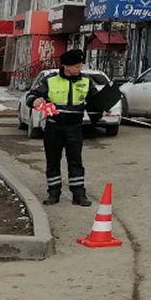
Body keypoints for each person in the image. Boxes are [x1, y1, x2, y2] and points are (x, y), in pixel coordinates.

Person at [25, 49, 99, 206]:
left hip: (75, 127)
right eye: (77, 66)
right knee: (53, 161)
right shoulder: (50, 80)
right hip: (54, 127)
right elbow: (31, 95)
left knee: (75, 161)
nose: (80, 69)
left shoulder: (86, 81)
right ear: (66, 66)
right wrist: (34, 101)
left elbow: (95, 101)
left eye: (81, 66)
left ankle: (78, 194)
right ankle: (53, 193)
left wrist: (103, 108)